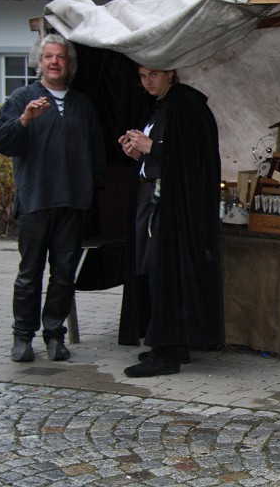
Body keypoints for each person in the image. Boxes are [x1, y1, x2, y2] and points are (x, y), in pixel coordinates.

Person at [0, 33, 106, 363]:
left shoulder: (82, 104)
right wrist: (25, 119)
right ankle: (22, 336)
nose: (54, 62)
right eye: (48, 56)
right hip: (36, 201)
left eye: (61, 57)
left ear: (70, 64)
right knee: (29, 274)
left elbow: (96, 150)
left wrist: (91, 190)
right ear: (39, 62)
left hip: (72, 202)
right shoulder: (22, 98)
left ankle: (55, 335)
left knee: (64, 274)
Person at [118, 66, 223, 378]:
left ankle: (167, 350)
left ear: (171, 73)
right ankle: (169, 342)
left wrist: (152, 147)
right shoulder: (160, 107)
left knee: (166, 273)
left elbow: (194, 157)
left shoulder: (186, 106)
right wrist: (140, 154)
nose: (148, 81)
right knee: (155, 272)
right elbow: (167, 156)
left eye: (154, 74)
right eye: (141, 75)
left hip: (176, 210)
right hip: (156, 204)